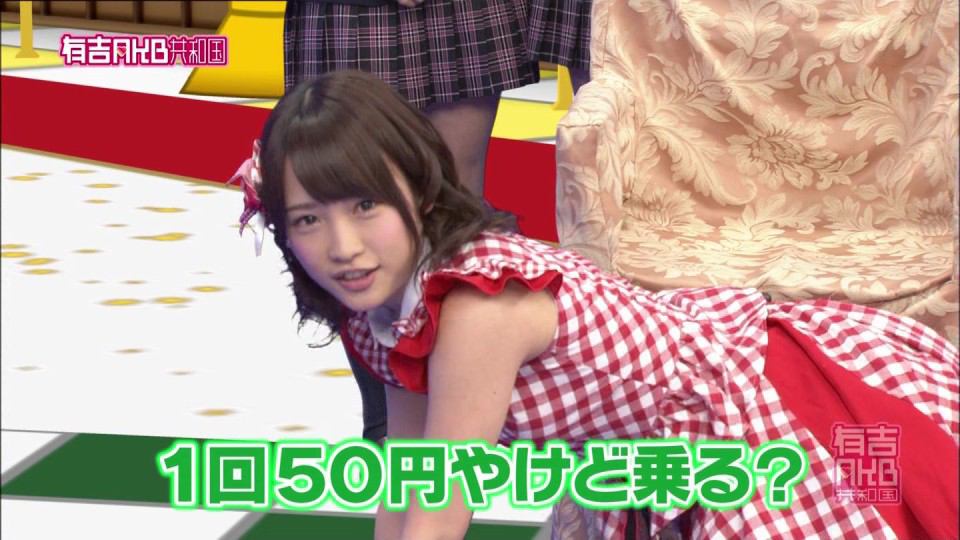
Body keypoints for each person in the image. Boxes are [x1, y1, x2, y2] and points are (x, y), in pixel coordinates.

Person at [231, 71, 959, 540]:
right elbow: (409, 475)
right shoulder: (385, 312)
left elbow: (444, 503)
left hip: (741, 411)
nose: (345, 247)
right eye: (309, 219)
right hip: (642, 453)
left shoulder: (477, 309)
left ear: (418, 190)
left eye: (365, 205)